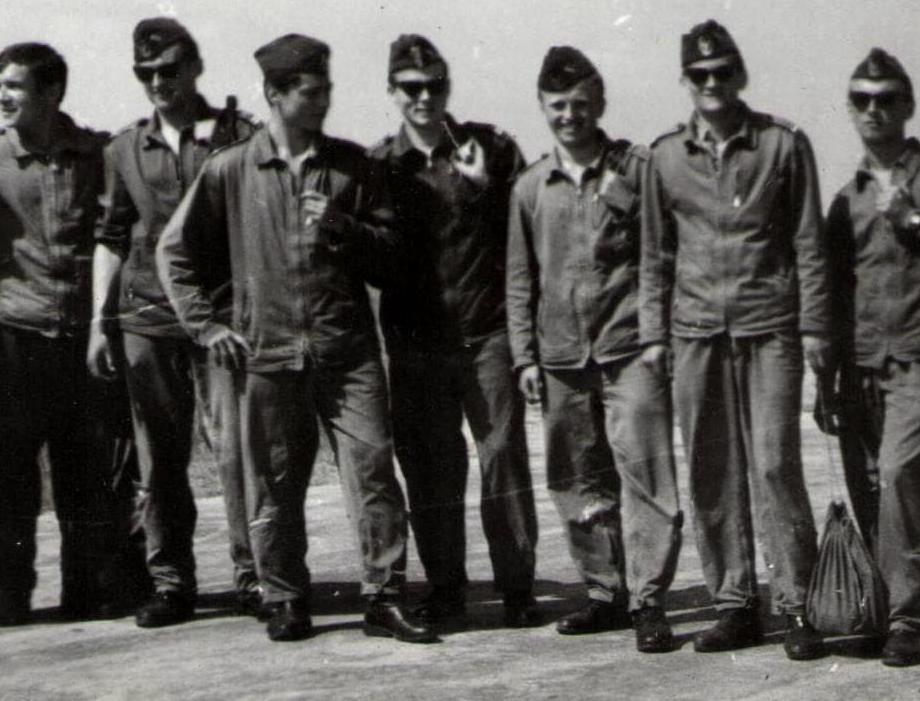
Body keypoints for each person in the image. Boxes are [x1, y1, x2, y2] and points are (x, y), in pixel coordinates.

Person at [157, 33, 434, 645]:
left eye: (328, 88)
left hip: (347, 352)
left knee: (373, 472)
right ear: (274, 94)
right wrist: (205, 325)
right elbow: (174, 252)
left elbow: (393, 259)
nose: (324, 101)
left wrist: (342, 227)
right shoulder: (230, 168)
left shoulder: (353, 167)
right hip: (268, 352)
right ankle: (284, 596)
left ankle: (384, 596)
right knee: (274, 482)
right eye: (311, 91)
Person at [638, 19, 830, 659]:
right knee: (711, 471)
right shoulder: (664, 156)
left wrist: (816, 329)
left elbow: (809, 243)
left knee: (775, 463)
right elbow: (654, 255)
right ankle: (734, 602)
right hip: (695, 332)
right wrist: (653, 336)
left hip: (768, 326)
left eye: (723, 72)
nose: (713, 84)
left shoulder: (781, 145)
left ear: (740, 74)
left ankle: (799, 604)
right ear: (686, 82)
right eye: (700, 75)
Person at [0, 42, 121, 627]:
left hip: (77, 340)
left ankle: (83, 588)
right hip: (12, 336)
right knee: (8, 476)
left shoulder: (97, 153)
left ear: (52, 91)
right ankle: (11, 590)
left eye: (14, 86)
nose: (2, 97)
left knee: (83, 473)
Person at [506, 46, 684, 653]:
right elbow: (520, 278)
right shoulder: (531, 186)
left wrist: (659, 335)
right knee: (576, 480)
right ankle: (604, 594)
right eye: (557, 105)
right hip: (559, 357)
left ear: (600, 103)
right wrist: (524, 357)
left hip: (629, 347)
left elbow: (660, 258)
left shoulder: (636, 170)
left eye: (581, 103)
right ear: (541, 107)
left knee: (645, 475)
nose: (569, 115)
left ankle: (649, 601)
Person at [89, 18, 260, 628]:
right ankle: (171, 583)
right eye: (146, 74)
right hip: (148, 319)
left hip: (223, 318)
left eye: (169, 70)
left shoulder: (240, 135)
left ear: (195, 68)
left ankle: (255, 576)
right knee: (158, 458)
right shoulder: (123, 149)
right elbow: (110, 237)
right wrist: (97, 323)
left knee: (238, 454)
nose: (159, 82)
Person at [368, 34, 541, 628]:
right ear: (392, 92)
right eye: (411, 88)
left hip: (485, 333)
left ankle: (517, 587)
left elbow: (529, 228)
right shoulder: (378, 168)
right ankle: (445, 588)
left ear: (448, 85)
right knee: (431, 470)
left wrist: (486, 187)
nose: (424, 98)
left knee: (502, 462)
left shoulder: (490, 148)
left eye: (435, 85)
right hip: (417, 344)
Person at [822, 48, 920, 667]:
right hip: (861, 365)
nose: (874, 110)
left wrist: (913, 219)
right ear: (850, 109)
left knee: (901, 479)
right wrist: (826, 380)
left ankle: (910, 619)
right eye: (861, 99)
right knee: (873, 488)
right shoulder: (847, 196)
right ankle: (886, 608)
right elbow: (836, 292)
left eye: (887, 98)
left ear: (908, 104)